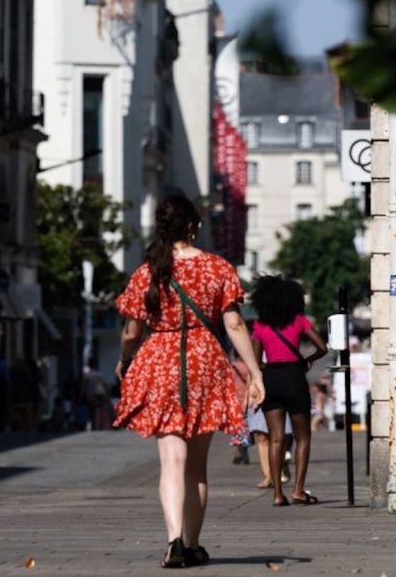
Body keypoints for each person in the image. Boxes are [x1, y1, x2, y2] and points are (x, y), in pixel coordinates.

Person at [113, 195, 265, 568]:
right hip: (205, 363)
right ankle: (193, 544)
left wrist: (125, 360)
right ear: (193, 227)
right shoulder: (218, 268)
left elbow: (132, 332)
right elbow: (233, 324)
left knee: (171, 462)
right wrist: (255, 372)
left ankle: (174, 540)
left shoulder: (147, 272)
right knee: (197, 466)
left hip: (161, 362)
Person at [250, 275, 330, 507]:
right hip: (294, 379)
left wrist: (268, 369)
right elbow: (322, 348)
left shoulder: (260, 325)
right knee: (302, 437)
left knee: (276, 438)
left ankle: (277, 494)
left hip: (271, 380)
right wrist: (307, 360)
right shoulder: (299, 321)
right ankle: (298, 490)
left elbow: (256, 362)